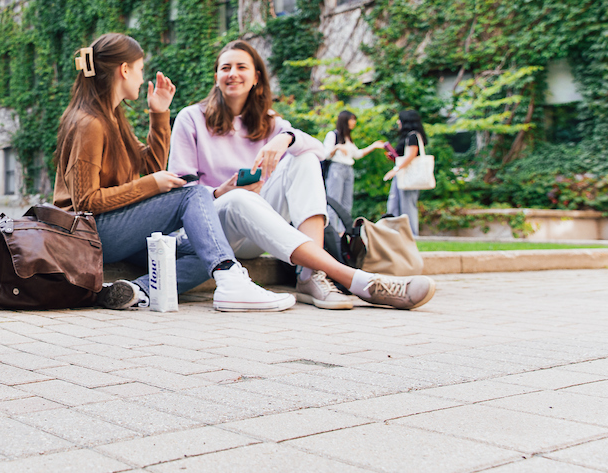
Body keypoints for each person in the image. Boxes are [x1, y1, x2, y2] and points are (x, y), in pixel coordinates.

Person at [169, 40, 435, 310]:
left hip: (258, 228)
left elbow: (319, 151)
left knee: (304, 156)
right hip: (214, 227)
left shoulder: (270, 122)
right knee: (238, 199)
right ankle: (360, 282)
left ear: (256, 77)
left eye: (241, 67)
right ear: (216, 77)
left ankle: (310, 276)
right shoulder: (191, 118)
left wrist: (286, 137)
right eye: (225, 67)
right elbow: (180, 192)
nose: (232, 73)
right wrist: (219, 192)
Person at [53, 33, 294, 312]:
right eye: (141, 69)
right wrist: (151, 185)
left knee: (209, 251)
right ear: (125, 70)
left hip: (114, 229)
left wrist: (159, 114)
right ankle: (231, 281)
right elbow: (86, 202)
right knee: (190, 194)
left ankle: (136, 290)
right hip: (89, 233)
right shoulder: (89, 123)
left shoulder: (113, 118)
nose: (143, 79)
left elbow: (151, 167)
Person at [323, 110, 385, 233]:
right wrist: (337, 147)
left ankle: (344, 232)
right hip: (337, 168)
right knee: (334, 201)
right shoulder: (333, 135)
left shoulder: (348, 138)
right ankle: (332, 232)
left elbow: (357, 154)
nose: (354, 122)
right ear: (344, 121)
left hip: (348, 169)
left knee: (347, 203)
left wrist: (373, 146)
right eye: (351, 119)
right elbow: (325, 154)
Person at [384, 109, 428, 236]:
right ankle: (396, 233)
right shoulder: (408, 136)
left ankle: (411, 235)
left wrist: (395, 170)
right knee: (395, 204)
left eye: (400, 119)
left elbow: (411, 156)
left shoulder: (413, 136)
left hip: (408, 176)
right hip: (402, 175)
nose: (398, 122)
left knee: (407, 205)